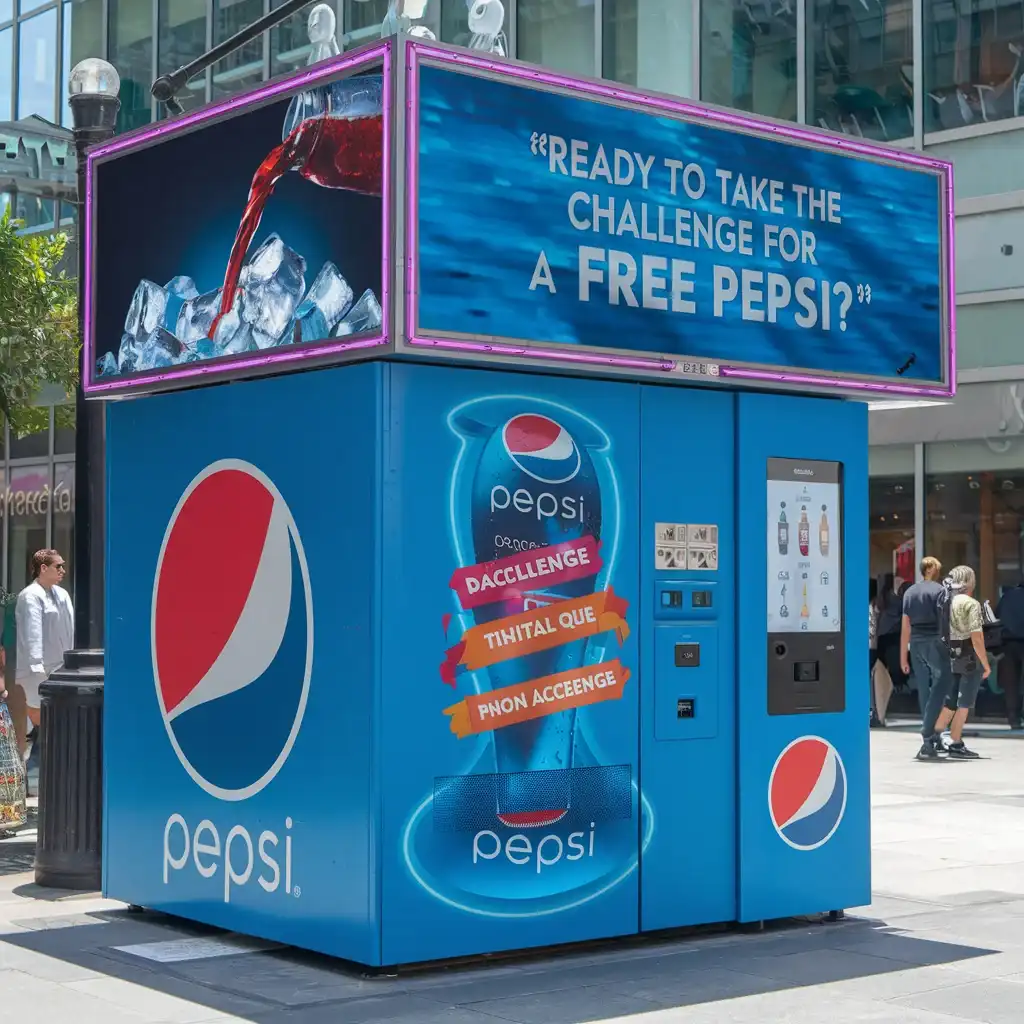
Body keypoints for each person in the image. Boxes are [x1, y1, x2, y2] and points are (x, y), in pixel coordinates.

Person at [15, 550, 74, 780]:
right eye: (58, 566)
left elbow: (69, 631)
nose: (63, 571)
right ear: (43, 568)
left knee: (50, 731)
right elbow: (32, 635)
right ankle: (32, 777)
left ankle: (37, 776)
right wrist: (38, 671)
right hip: (36, 674)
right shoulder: (30, 596)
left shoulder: (62, 594)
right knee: (43, 729)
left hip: (60, 669)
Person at [932, 565, 989, 759]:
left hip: (951, 653)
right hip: (969, 655)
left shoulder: (947, 600)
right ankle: (956, 742)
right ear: (970, 581)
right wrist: (986, 663)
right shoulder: (971, 604)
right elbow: (977, 637)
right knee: (965, 701)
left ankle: (934, 737)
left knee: (950, 701)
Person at [899, 556, 952, 761]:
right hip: (934, 643)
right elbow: (945, 622)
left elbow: (905, 626)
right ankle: (930, 734)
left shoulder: (910, 592)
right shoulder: (940, 591)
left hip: (916, 645)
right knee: (943, 682)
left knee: (924, 688)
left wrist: (903, 656)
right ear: (936, 570)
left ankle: (930, 737)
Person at [996, 578, 1024, 729]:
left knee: (1011, 683)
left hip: (1008, 643)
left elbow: (997, 615)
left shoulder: (1008, 596)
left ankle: (1013, 717)